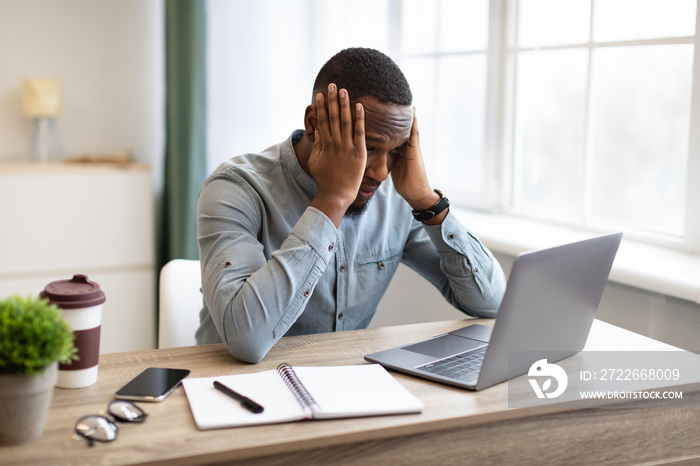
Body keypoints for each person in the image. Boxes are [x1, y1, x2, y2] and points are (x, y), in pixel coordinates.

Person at [195, 47, 506, 363]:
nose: (381, 172)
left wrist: (427, 202)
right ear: (315, 124)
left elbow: (493, 304)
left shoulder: (397, 197)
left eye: (396, 150)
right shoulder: (235, 187)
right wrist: (332, 199)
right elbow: (246, 340)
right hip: (235, 390)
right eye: (368, 147)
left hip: (347, 386)